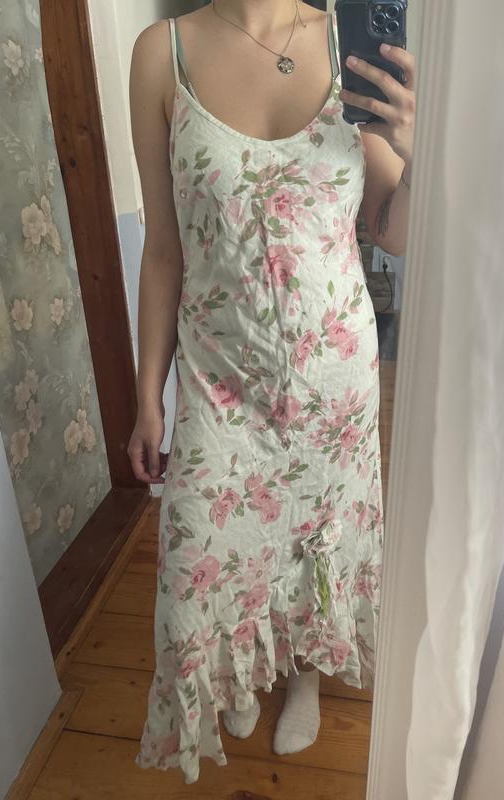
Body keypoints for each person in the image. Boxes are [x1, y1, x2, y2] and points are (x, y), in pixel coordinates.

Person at [127, 0, 415, 785]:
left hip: (334, 388)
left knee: (315, 542)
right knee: (206, 556)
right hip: (218, 383)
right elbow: (163, 250)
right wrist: (148, 397)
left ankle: (305, 673)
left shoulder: (346, 44)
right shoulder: (162, 54)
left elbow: (392, 230)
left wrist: (415, 152)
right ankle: (242, 670)